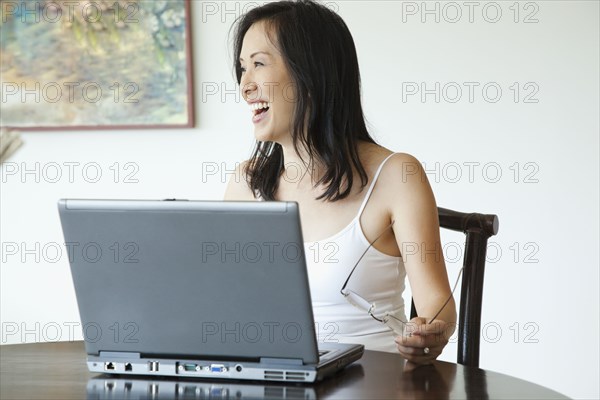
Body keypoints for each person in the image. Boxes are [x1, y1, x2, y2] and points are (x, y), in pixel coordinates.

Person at [224, 0, 456, 365]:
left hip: (372, 381)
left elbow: (437, 306)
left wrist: (429, 332)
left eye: (258, 64)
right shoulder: (245, 183)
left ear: (311, 74)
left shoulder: (397, 175)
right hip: (272, 380)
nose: (245, 85)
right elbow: (224, 302)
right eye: (241, 69)